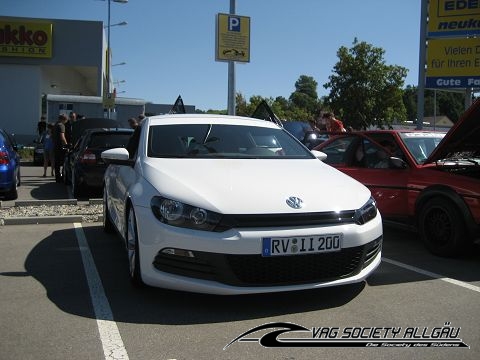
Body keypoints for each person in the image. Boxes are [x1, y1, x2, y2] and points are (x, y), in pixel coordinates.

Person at [52, 114, 68, 182]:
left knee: (57, 163)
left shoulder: (55, 125)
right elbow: (62, 137)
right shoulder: (61, 125)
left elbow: (52, 136)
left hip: (55, 146)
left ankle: (57, 177)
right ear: (63, 119)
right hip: (60, 147)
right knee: (64, 162)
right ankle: (62, 176)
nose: (66, 122)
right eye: (66, 121)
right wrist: (66, 145)